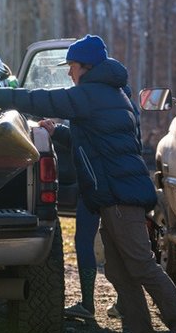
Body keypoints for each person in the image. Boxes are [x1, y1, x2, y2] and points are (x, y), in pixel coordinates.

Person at [0, 34, 176, 333]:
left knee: (142, 268)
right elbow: (91, 137)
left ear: (85, 67)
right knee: (119, 272)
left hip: (119, 200)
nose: (69, 73)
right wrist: (56, 131)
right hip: (114, 198)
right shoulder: (112, 95)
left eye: (72, 66)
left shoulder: (92, 94)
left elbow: (39, 98)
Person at [39, 118, 122, 321]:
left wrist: (58, 131)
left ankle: (88, 304)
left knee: (87, 240)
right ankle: (124, 303)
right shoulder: (120, 102)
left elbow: (86, 140)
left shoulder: (90, 98)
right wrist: (57, 131)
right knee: (120, 242)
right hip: (118, 184)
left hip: (97, 185)